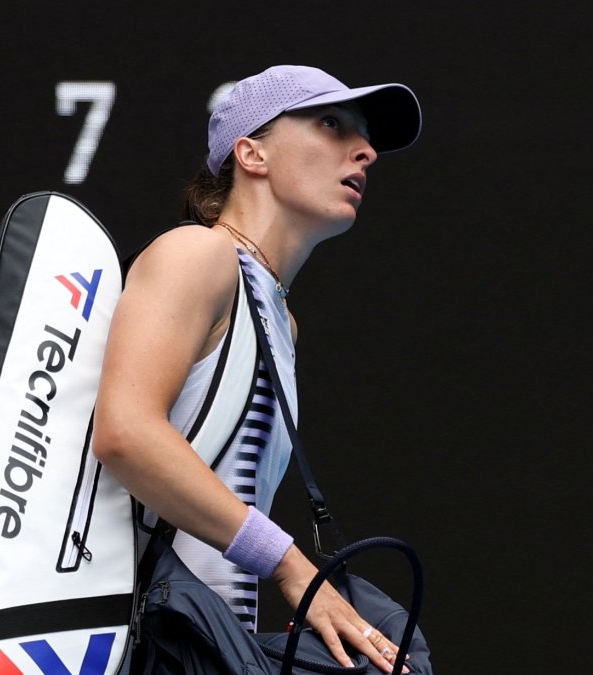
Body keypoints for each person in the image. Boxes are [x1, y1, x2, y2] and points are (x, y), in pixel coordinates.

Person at [92, 65, 421, 674]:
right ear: (252, 154)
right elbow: (125, 434)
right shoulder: (198, 255)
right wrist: (292, 566)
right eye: (331, 123)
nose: (366, 151)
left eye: (364, 134)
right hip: (132, 654)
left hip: (200, 652)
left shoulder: (279, 318)